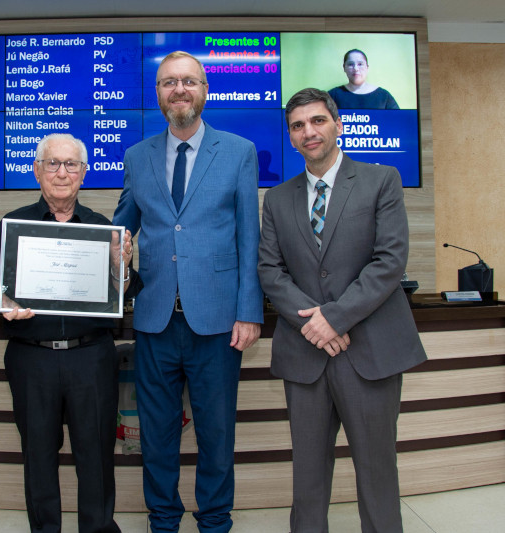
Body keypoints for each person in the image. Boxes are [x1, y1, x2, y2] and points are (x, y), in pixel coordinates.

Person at [257, 88, 427, 532]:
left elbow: (390, 262)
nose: (308, 132)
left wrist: (335, 317)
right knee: (308, 477)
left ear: (338, 124)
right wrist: (318, 322)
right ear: (291, 138)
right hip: (305, 355)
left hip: (369, 352)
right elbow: (271, 271)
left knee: (376, 472)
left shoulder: (381, 179)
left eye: (317, 121)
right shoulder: (276, 199)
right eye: (297, 126)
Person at [113, 51, 263, 533]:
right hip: (155, 320)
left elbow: (248, 237)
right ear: (157, 93)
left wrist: (249, 311)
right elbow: (121, 230)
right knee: (156, 435)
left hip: (219, 322)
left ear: (204, 90)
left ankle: (215, 522)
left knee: (216, 435)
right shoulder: (137, 157)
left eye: (188, 82)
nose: (179, 90)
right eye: (168, 82)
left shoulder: (239, 151)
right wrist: (102, 247)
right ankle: (163, 521)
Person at [0, 133, 139, 533]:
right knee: (38, 455)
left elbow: (126, 291)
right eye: (53, 163)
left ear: (84, 174)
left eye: (71, 164)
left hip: (92, 357)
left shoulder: (105, 228)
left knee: (97, 454)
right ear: (37, 170)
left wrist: (123, 266)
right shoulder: (11, 226)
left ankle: (98, 528)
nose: (62, 172)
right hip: (30, 356)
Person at [328, 49, 400, 110]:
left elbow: (398, 122)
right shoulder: (333, 95)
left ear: (367, 67)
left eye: (360, 64)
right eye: (350, 64)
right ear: (344, 68)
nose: (356, 69)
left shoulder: (384, 96)